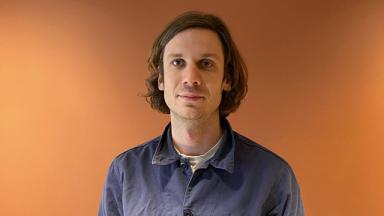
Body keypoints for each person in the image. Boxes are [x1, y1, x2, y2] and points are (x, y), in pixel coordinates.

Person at [98, 11, 304, 216]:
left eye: (206, 64)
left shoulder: (273, 177)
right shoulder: (125, 172)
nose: (191, 78)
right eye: (178, 62)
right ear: (160, 79)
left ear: (227, 79)